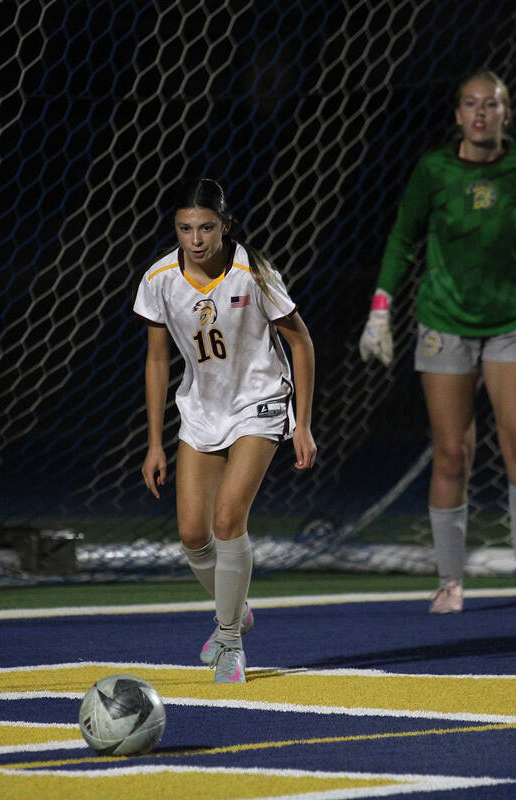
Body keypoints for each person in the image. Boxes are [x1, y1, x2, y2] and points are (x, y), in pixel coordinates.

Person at [359, 70, 516, 616]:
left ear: (507, 113)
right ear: (458, 114)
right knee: (452, 453)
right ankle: (450, 582)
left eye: (492, 104)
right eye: (471, 104)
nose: (481, 113)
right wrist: (379, 313)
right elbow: (402, 238)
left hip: (513, 323)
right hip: (443, 322)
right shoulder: (433, 170)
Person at [135, 178, 317, 683]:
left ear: (226, 226)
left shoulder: (254, 274)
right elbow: (156, 359)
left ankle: (230, 641)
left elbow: (301, 345)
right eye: (185, 228)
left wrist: (302, 422)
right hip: (201, 411)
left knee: (227, 517)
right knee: (193, 535)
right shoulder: (158, 279)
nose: (196, 239)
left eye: (207, 228)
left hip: (259, 403)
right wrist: (155, 442)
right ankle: (233, 603)